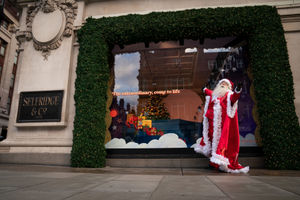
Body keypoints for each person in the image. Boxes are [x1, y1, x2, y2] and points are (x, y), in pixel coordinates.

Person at [194, 79, 249, 173]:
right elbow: (208, 91)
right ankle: (213, 163)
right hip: (212, 126)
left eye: (225, 84)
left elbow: (235, 97)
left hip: (223, 127)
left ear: (228, 87)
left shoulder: (228, 95)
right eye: (222, 84)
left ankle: (221, 165)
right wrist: (204, 89)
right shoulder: (215, 95)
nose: (223, 85)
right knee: (212, 145)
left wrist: (238, 90)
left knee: (221, 146)